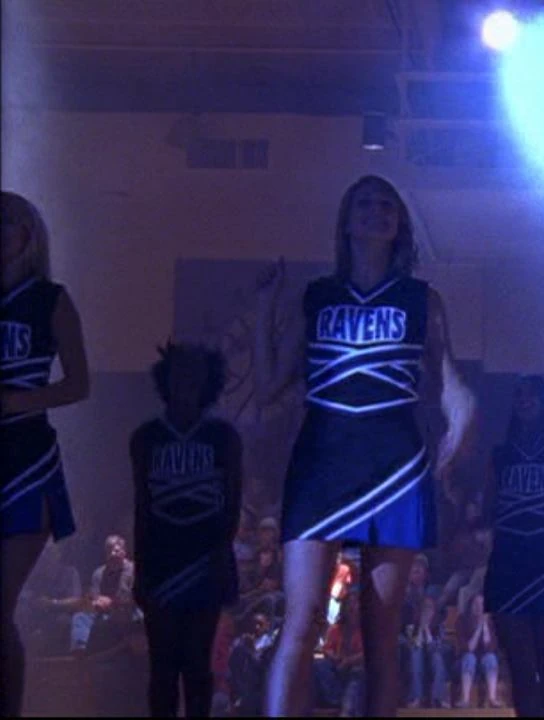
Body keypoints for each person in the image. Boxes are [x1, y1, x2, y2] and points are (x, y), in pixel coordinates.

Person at [255, 175, 476, 716]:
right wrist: (263, 313)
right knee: (302, 618)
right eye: (364, 203)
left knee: (381, 630)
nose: (376, 211)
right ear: (346, 220)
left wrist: (461, 420)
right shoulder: (317, 296)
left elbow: (449, 383)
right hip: (322, 462)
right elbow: (268, 386)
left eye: (386, 205)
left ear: (399, 223)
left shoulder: (421, 299)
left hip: (394, 463)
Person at [1, 191, 90, 716]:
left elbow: (79, 384)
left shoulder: (50, 299)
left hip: (28, 463)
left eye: (6, 223)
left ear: (28, 235)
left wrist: (15, 401)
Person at [131, 341, 243, 716]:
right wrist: (141, 571)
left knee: (197, 666)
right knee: (162, 667)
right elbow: (142, 506)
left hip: (205, 563)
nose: (186, 384)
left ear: (207, 382)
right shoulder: (147, 437)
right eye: (179, 375)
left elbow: (232, 504)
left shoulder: (223, 437)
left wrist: (221, 563)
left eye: (194, 376)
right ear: (165, 379)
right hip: (161, 563)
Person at [483, 375, 544, 717]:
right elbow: (488, 504)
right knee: (521, 668)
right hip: (510, 561)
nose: (524, 401)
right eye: (519, 395)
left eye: (531, 395)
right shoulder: (501, 453)